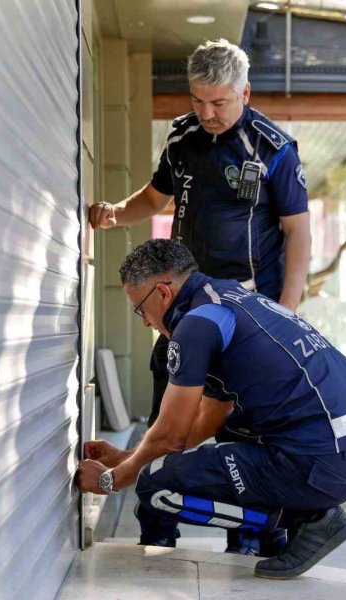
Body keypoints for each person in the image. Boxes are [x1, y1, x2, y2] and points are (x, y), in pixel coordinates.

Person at [89, 38, 311, 556]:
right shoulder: (182, 138)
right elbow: (155, 196)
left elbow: (298, 233)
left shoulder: (274, 148)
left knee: (241, 437)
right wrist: (114, 214)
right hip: (183, 306)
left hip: (248, 317)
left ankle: (251, 548)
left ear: (245, 92)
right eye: (198, 100)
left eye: (220, 102)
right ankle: (156, 541)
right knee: (170, 416)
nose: (207, 113)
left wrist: (287, 312)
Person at [77, 240, 346, 580]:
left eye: (141, 310)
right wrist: (126, 456)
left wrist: (109, 480)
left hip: (319, 461)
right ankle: (305, 513)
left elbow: (172, 436)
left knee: (155, 488)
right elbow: (209, 418)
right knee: (177, 460)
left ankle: (311, 521)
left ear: (163, 293)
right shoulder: (229, 298)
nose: (146, 323)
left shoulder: (194, 326)